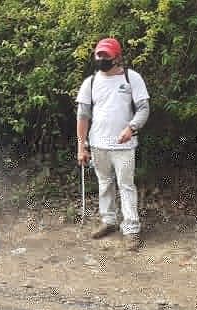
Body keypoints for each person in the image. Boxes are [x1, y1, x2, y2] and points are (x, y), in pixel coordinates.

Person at [76, 37, 150, 251]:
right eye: (98, 54)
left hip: (124, 146)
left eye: (105, 55)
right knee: (104, 183)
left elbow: (143, 108)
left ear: (117, 57)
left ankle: (131, 230)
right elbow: (83, 116)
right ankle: (109, 221)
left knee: (126, 186)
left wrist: (131, 128)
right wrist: (82, 146)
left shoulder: (131, 78)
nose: (101, 58)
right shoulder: (90, 82)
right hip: (98, 145)